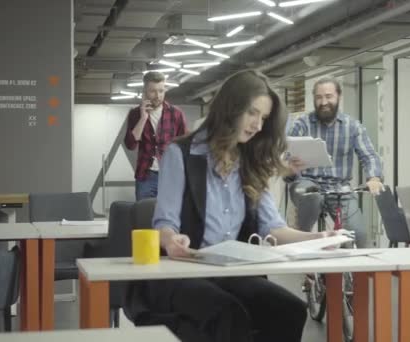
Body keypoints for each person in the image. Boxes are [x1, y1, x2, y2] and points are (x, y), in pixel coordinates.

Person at [128, 70, 338, 342]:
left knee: (290, 309)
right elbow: (165, 224)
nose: (258, 125)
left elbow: (273, 228)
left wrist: (318, 238)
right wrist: (172, 241)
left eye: (263, 118)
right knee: (228, 314)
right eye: (252, 113)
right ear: (231, 108)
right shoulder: (180, 154)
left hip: (232, 271)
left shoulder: (252, 160)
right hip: (184, 274)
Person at [286, 77, 384, 248]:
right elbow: (286, 156)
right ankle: (301, 237)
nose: (324, 102)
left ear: (339, 96)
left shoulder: (352, 126)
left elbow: (369, 155)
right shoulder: (302, 124)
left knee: (358, 235)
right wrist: (290, 167)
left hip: (339, 188)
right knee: (312, 196)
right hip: (306, 184)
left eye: (329, 96)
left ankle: (356, 271)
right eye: (319, 97)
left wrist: (374, 177)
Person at [124, 71, 187, 200]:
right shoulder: (135, 114)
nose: (158, 96)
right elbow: (130, 145)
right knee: (144, 216)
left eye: (161, 91)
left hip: (170, 175)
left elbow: (185, 145)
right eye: (153, 91)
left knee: (170, 217)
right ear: (145, 91)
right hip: (145, 176)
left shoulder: (176, 113)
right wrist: (143, 118)